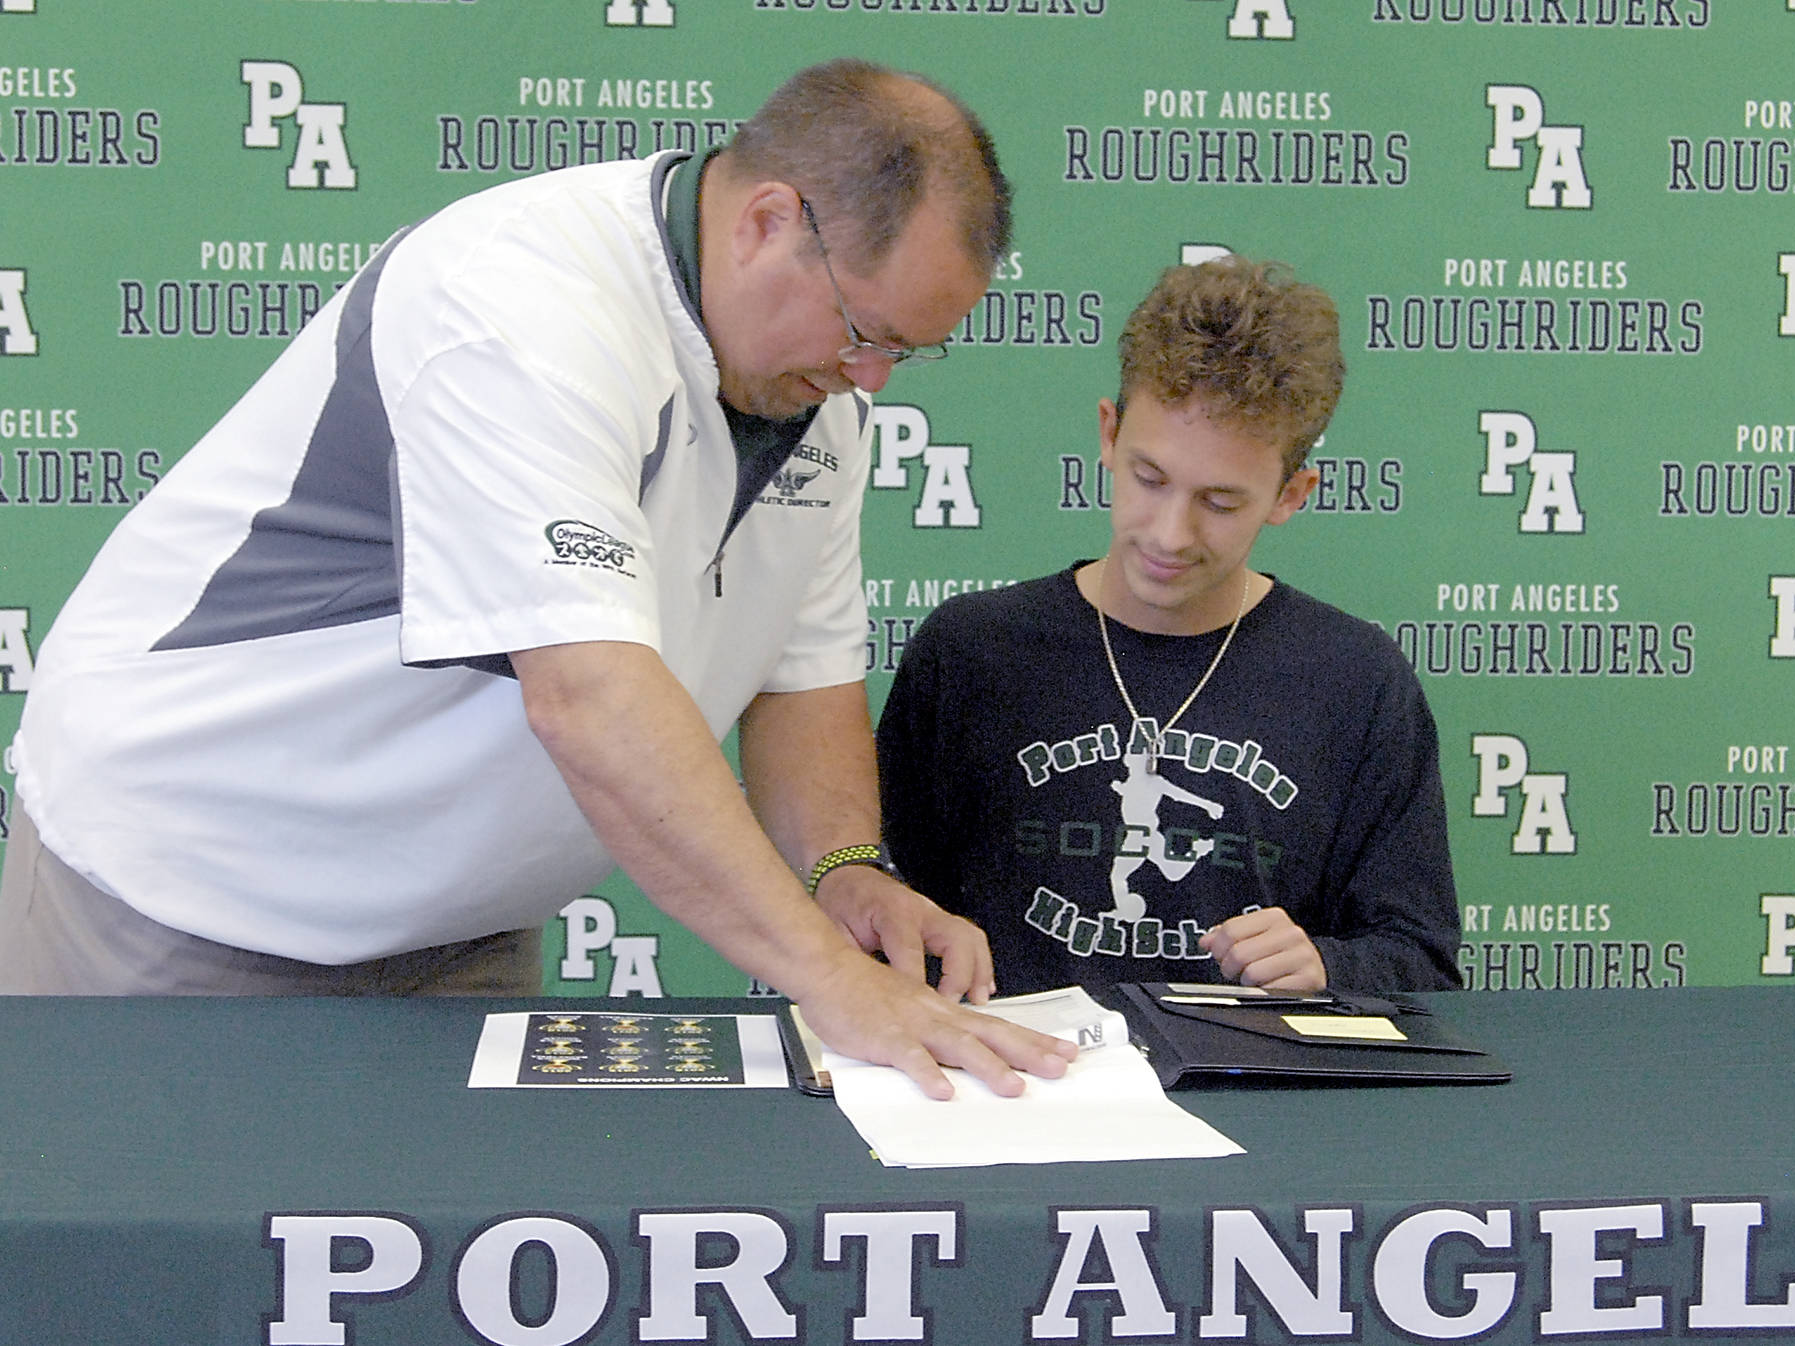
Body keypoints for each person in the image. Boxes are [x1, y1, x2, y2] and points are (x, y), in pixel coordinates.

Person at [0, 59, 1076, 1099]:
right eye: (863, 333)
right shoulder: (522, 306)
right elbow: (591, 698)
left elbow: (800, 670)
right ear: (766, 223)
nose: (872, 380)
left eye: (905, 352)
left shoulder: (812, 395)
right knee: (162, 1272)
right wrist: (833, 980)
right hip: (197, 893)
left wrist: (847, 868)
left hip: (457, 930)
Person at [876, 256, 1462, 996]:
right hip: (1013, 1089)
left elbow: (1424, 964)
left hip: (1256, 1098)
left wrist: (1329, 967)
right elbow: (878, 911)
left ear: (1292, 493)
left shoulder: (1357, 680)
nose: (1170, 533)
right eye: (1149, 479)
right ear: (1109, 434)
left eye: (1220, 502)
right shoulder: (970, 651)